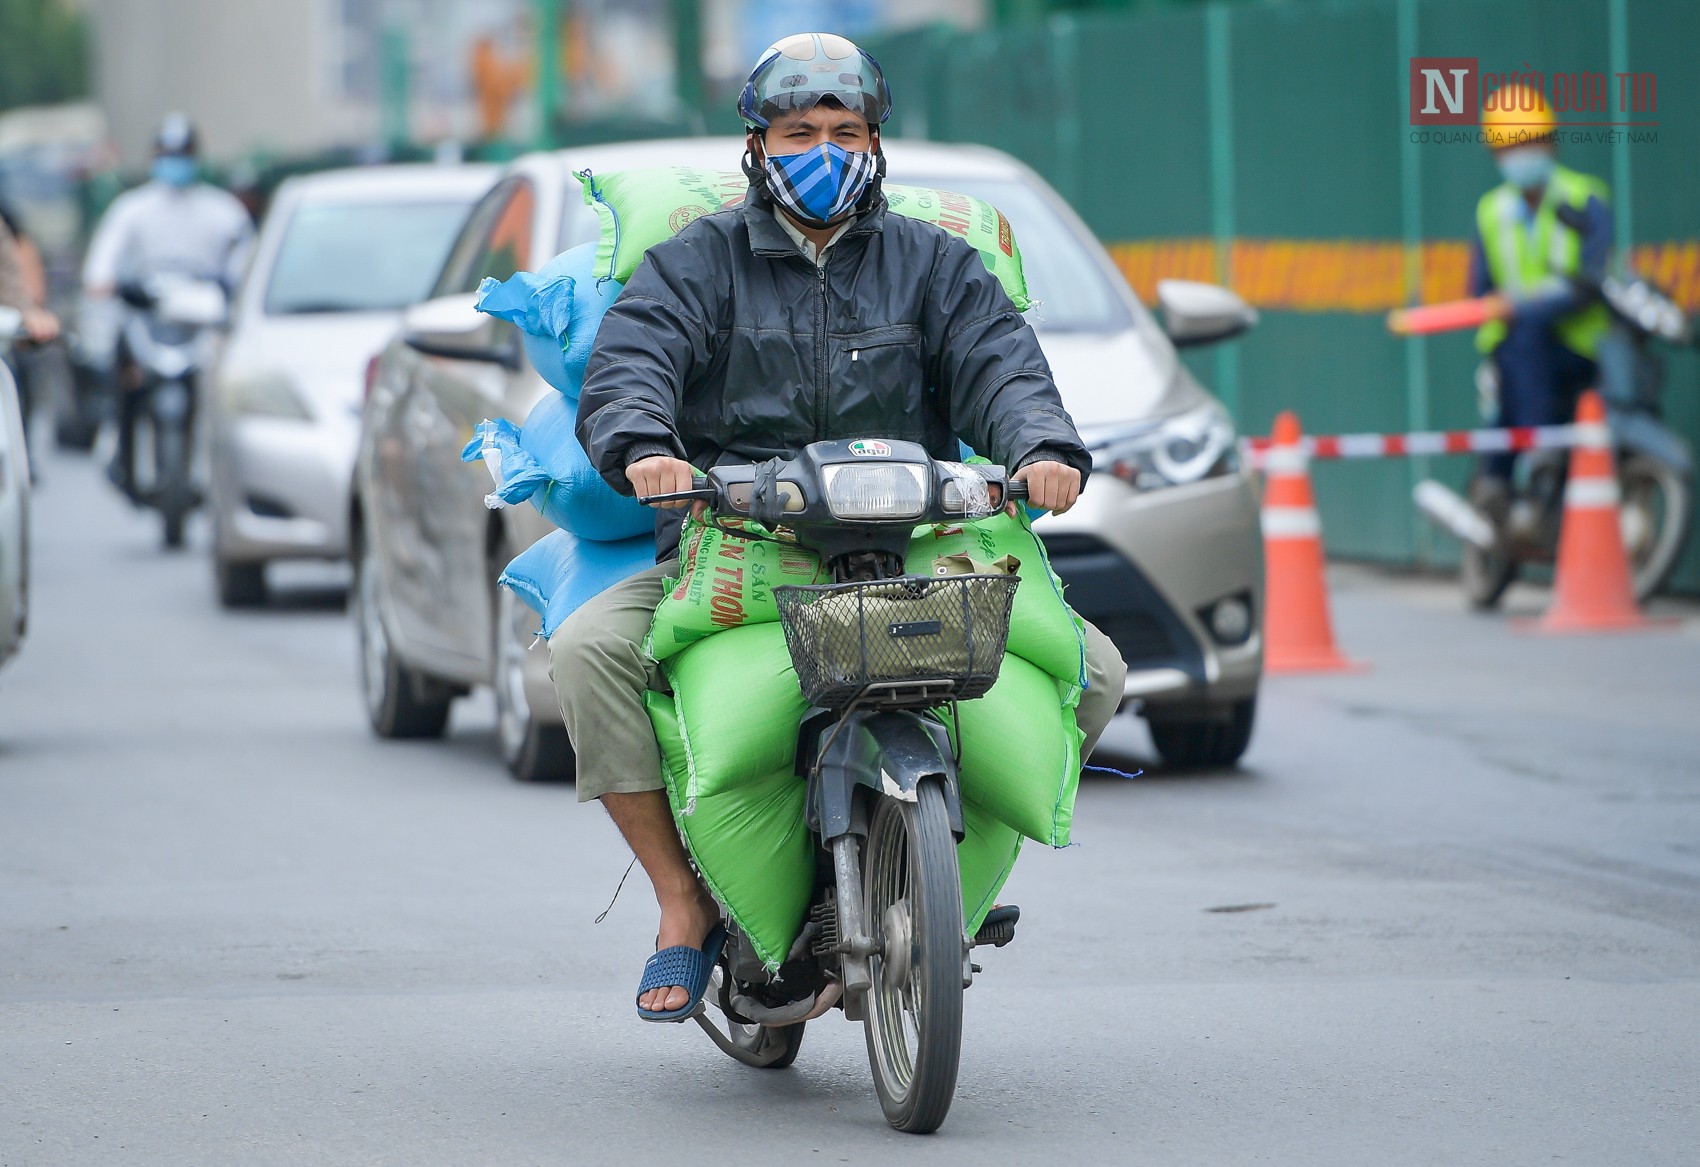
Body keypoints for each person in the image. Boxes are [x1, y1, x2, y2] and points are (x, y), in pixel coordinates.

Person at [550, 32, 1128, 1020]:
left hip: (910, 545)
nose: (822, 150)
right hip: (737, 547)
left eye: (844, 130)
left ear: (875, 142)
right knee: (586, 654)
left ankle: (949, 880)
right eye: (798, 131)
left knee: (1095, 670)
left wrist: (1041, 448)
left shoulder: (933, 266)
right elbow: (631, 361)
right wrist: (645, 445)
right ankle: (681, 903)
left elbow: (1000, 364)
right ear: (757, 146)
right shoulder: (694, 265)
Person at [80, 114, 251, 499]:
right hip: (148, 318)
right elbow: (101, 268)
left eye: (183, 153)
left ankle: (228, 468)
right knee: (119, 367)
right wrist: (108, 285)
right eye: (168, 153)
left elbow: (243, 265)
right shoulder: (132, 210)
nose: (175, 161)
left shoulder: (223, 211)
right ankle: (118, 448)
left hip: (202, 323)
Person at [1469, 84, 1611, 489]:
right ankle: (1507, 479)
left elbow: (1592, 276)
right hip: (1514, 348)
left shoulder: (1585, 198)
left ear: (1550, 142)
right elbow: (1482, 290)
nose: (1522, 153)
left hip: (1578, 345)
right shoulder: (1491, 211)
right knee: (1519, 356)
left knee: (1528, 337)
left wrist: (1528, 306)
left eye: (1530, 141)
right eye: (1511, 145)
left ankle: (1536, 456)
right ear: (1496, 154)